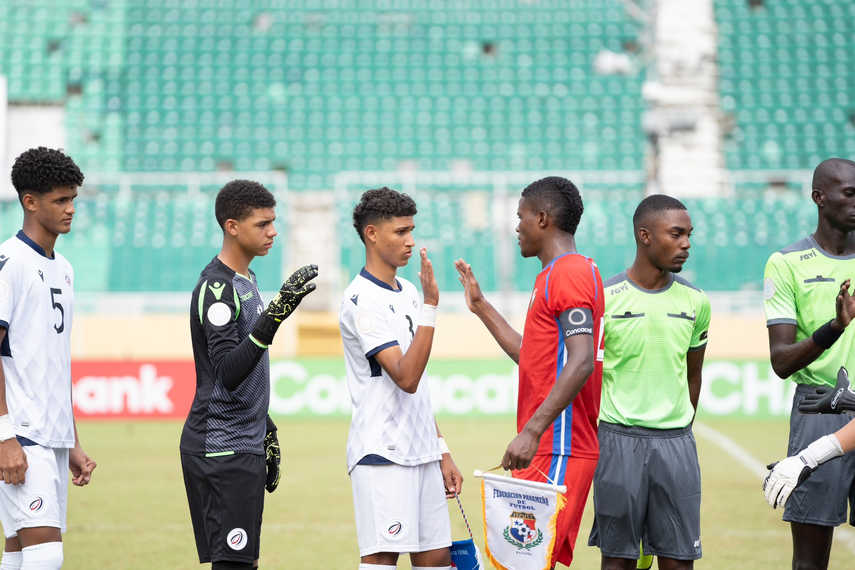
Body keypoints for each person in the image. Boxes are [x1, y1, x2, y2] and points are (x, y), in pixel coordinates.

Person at [455, 176, 603, 568]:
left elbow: (582, 360)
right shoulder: (556, 274)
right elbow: (535, 358)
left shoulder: (569, 272)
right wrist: (482, 306)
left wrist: (532, 431)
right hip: (551, 448)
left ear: (542, 218)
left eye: (520, 216)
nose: (516, 226)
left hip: (559, 447)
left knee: (525, 564)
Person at [180, 180, 317, 570]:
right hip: (221, 444)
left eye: (273, 222)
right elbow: (226, 373)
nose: (273, 231)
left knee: (243, 563)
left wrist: (264, 426)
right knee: (235, 565)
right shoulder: (217, 288)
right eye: (262, 224)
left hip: (244, 439)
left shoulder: (248, 279)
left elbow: (247, 365)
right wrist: (274, 316)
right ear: (232, 226)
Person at [339, 187, 463, 570]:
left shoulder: (408, 290)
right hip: (383, 453)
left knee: (437, 561)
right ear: (372, 234)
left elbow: (419, 389)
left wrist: (440, 448)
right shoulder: (360, 300)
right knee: (382, 562)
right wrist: (431, 306)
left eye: (412, 230)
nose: (411, 241)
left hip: (422, 451)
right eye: (400, 232)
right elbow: (406, 378)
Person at [587, 195, 711, 570]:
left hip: (676, 446)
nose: (686, 244)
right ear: (645, 235)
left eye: (689, 235)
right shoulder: (602, 299)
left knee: (678, 562)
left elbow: (694, 375)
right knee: (618, 562)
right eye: (676, 234)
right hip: (617, 442)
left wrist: (678, 429)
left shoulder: (696, 302)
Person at [0, 147, 96, 570]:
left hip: (52, 437)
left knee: (21, 554)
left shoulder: (66, 268)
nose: (71, 209)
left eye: (73, 198)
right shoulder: (10, 263)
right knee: (46, 557)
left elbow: (56, 361)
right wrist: (4, 436)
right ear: (30, 201)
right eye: (60, 200)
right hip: (21, 433)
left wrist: (70, 440)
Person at [761, 158, 855, 570]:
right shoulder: (785, 263)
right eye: (850, 193)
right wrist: (833, 327)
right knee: (810, 561)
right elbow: (781, 361)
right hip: (819, 410)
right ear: (819, 197)